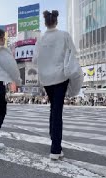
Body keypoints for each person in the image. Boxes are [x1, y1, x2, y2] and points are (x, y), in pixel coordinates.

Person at [32, 10, 76, 160]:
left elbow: (34, 60)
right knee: (57, 111)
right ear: (56, 21)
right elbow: (73, 53)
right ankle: (55, 149)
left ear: (45, 23)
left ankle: (54, 139)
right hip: (60, 77)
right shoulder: (64, 35)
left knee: (54, 109)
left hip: (46, 79)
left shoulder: (41, 39)